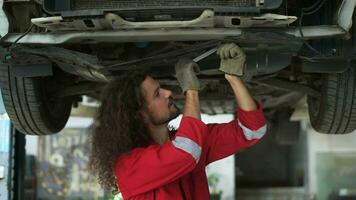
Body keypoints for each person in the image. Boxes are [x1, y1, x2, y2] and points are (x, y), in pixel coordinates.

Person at [89, 43, 267, 199]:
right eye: (157, 93)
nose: (168, 93)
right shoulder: (129, 166)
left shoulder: (188, 144)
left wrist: (233, 78)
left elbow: (252, 130)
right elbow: (186, 152)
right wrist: (191, 90)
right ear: (140, 115)